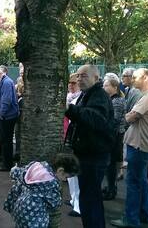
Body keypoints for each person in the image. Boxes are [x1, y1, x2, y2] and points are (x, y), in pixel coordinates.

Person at [64, 65, 114, 228]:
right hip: (87, 153)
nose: (79, 79)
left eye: (84, 76)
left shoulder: (99, 95)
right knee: (88, 198)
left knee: (90, 198)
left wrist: (70, 109)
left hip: (94, 155)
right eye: (78, 76)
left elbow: (95, 119)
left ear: (96, 78)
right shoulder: (87, 94)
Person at [111, 68, 148, 228]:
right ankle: (143, 216)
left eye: (135, 77)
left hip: (139, 146)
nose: (132, 80)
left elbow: (130, 117)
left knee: (133, 184)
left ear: (145, 77)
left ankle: (131, 220)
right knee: (141, 181)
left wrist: (128, 115)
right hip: (143, 146)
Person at [4, 153, 80, 228]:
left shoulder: (37, 166)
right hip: (35, 216)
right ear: (60, 171)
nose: (65, 180)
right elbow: (54, 204)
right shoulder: (51, 183)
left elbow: (16, 172)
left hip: (20, 208)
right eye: (66, 177)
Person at [102, 73, 126, 201]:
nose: (104, 87)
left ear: (114, 87)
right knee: (109, 164)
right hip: (112, 136)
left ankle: (112, 189)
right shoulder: (111, 100)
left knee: (111, 165)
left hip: (115, 137)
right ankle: (110, 187)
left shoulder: (117, 101)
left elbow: (114, 121)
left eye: (106, 85)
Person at [0, 67, 19, 172]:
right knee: (5, 140)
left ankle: (7, 164)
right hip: (6, 116)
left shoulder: (6, 83)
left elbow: (6, 100)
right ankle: (5, 162)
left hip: (7, 116)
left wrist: (1, 114)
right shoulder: (5, 81)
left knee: (6, 140)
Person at [63, 73, 82, 218]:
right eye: (69, 82)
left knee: (75, 174)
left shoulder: (79, 99)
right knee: (70, 174)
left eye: (74, 83)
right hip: (68, 137)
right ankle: (73, 199)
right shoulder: (70, 97)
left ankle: (78, 205)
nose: (71, 85)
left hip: (75, 139)